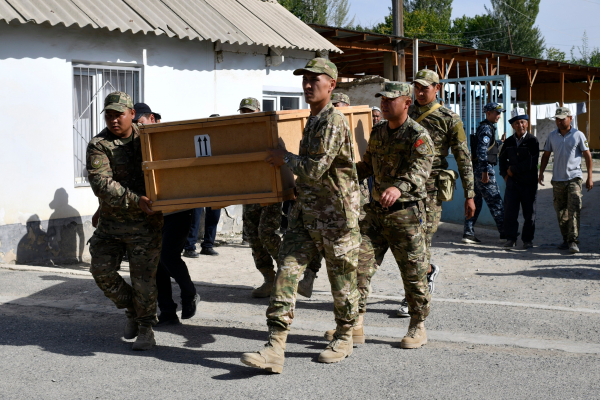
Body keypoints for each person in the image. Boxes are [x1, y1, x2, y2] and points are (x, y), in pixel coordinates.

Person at [240, 58, 361, 372]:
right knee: (286, 275)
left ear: (331, 84)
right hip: (306, 216)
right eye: (305, 79)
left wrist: (284, 158)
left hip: (335, 218)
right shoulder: (313, 119)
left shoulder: (333, 120)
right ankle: (275, 347)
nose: (308, 84)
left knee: (342, 281)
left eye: (315, 79)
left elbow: (316, 169)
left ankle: (345, 334)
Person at [332, 81, 434, 348]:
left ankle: (417, 326)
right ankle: (356, 324)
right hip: (375, 214)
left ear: (407, 103)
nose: (384, 103)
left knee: (413, 273)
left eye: (390, 99)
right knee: (358, 269)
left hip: (405, 216)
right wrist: (342, 175)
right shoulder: (378, 131)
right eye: (382, 99)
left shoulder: (417, 134)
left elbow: (420, 170)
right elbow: (367, 165)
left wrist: (398, 188)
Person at [391, 69, 475, 318]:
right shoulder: (407, 111)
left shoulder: (450, 118)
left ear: (437, 88)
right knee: (407, 243)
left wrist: (470, 194)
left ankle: (414, 296)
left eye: (424, 88)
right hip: (404, 186)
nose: (418, 92)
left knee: (421, 241)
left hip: (430, 190)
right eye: (416, 87)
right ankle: (426, 271)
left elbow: (463, 157)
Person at [86, 92, 163, 351]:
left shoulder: (149, 137)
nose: (113, 120)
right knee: (101, 271)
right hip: (112, 225)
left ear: (132, 114)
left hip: (146, 225)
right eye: (108, 115)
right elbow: (102, 184)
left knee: (144, 280)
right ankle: (131, 308)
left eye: (119, 114)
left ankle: (145, 328)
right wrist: (135, 199)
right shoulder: (99, 145)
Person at [238, 97, 284, 298]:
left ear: (258, 111)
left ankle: (287, 275)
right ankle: (268, 278)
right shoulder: (236, 135)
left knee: (266, 232)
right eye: (244, 112)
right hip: (249, 191)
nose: (247, 116)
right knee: (253, 237)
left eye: (250, 112)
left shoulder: (269, 130)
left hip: (270, 190)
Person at [539, 106, 593, 254]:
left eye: (562, 119)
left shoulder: (578, 135)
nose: (559, 122)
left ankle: (573, 241)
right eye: (557, 119)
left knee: (574, 208)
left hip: (574, 178)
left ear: (570, 118)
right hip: (557, 179)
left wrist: (590, 177)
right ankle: (566, 239)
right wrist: (541, 172)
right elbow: (545, 155)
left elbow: (588, 156)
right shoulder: (552, 136)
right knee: (561, 211)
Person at [463, 102, 506, 244]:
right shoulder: (487, 128)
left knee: (476, 202)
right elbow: (482, 152)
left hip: (477, 170)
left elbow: (488, 146)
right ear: (488, 113)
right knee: (496, 202)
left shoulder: (485, 128)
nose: (499, 116)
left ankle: (468, 233)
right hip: (483, 171)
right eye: (496, 113)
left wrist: (499, 142)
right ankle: (505, 234)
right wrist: (485, 171)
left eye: (499, 113)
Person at [499, 110, 540, 249]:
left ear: (527, 124)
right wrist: (505, 174)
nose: (520, 125)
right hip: (512, 184)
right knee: (510, 212)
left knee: (529, 214)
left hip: (528, 184)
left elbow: (532, 162)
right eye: (517, 123)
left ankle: (527, 240)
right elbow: (502, 159)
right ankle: (511, 238)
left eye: (522, 122)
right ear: (513, 126)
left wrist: (514, 169)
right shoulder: (509, 141)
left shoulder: (532, 141)